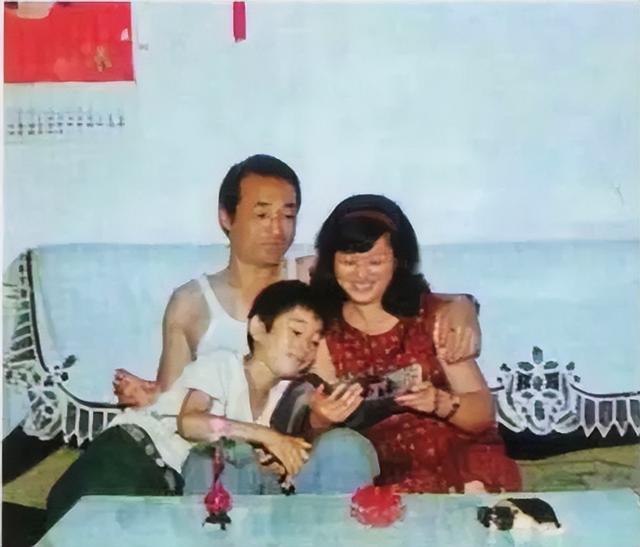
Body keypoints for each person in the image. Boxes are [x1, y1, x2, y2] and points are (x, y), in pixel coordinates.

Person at [46, 281, 378, 530]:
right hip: (128, 458)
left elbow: (282, 455)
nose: (305, 347)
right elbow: (191, 423)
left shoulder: (284, 397)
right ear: (258, 327)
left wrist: (303, 435)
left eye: (314, 341)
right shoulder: (222, 364)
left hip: (173, 487)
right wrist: (266, 436)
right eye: (296, 332)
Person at [309, 194, 522, 494]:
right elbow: (323, 446)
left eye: (375, 262)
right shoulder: (326, 335)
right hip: (388, 480)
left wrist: (440, 403)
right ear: (331, 262)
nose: (361, 274)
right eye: (349, 262)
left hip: (463, 465)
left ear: (397, 260)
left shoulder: (433, 316)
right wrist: (320, 419)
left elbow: (482, 414)